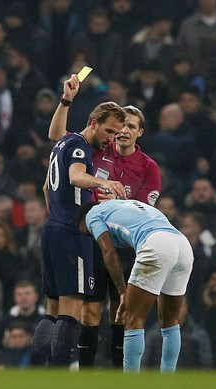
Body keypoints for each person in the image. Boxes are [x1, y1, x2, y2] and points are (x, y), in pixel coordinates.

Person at [48, 73, 161, 368]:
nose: (121, 133)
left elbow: (144, 209)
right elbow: (61, 137)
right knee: (88, 313)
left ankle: (118, 376)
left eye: (129, 127)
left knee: (122, 313)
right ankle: (83, 375)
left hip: (125, 246)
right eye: (117, 128)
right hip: (93, 240)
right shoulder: (97, 149)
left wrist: (119, 201)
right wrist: (66, 100)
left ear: (139, 132)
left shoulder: (149, 167)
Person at [31, 96, 127, 367]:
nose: (111, 139)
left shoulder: (64, 142)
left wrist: (65, 101)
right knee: (72, 309)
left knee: (52, 310)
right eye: (109, 131)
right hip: (72, 233)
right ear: (93, 123)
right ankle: (59, 377)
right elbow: (75, 176)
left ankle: (37, 371)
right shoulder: (80, 147)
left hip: (52, 230)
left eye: (116, 134)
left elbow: (46, 187)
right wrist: (103, 183)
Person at [78, 199, 193, 373]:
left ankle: (130, 385)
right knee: (170, 322)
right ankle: (168, 382)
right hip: (183, 245)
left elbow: (109, 252)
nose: (91, 236)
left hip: (156, 243)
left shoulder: (93, 214)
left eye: (87, 233)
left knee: (133, 318)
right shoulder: (130, 204)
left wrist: (122, 292)